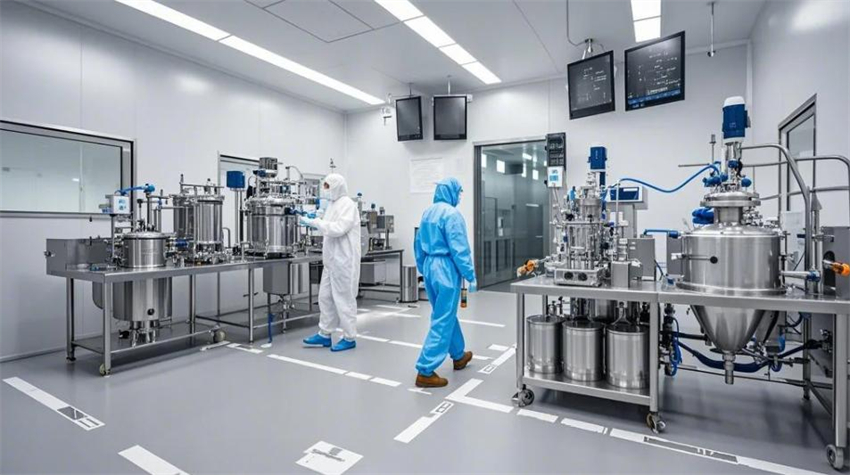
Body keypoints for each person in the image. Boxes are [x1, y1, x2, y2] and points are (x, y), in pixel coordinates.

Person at [414, 177, 477, 388]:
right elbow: (460, 249)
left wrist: (423, 267)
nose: (459, 196)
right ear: (451, 192)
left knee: (444, 313)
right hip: (446, 270)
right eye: (458, 192)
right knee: (443, 317)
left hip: (430, 267)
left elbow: (418, 244)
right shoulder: (452, 215)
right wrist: (470, 275)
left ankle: (458, 355)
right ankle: (425, 369)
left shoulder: (427, 213)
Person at [300, 174, 362, 352]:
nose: (324, 189)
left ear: (337, 186)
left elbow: (337, 229)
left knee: (344, 300)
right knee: (325, 298)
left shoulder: (348, 205)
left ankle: (349, 337)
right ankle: (325, 334)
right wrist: (316, 217)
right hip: (331, 261)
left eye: (327, 186)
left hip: (344, 261)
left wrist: (315, 222)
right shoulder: (332, 204)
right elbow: (327, 224)